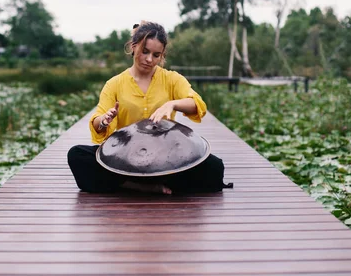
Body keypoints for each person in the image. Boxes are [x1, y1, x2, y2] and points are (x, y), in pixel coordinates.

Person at [67, 21, 231, 194]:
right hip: (126, 159)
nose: (149, 59)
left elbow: (197, 104)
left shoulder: (171, 79)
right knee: (77, 155)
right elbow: (97, 122)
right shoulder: (114, 84)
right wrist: (104, 120)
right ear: (133, 46)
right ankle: (140, 186)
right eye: (145, 52)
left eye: (156, 55)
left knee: (215, 168)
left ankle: (132, 184)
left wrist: (172, 103)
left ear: (162, 55)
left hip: (166, 157)